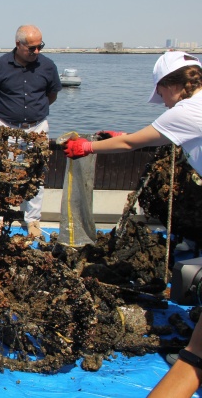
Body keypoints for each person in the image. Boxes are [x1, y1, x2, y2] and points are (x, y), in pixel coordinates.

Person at [61, 51, 202, 397]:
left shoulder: (187, 110)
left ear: (173, 86)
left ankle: (193, 358)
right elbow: (149, 135)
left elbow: (129, 143)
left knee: (195, 359)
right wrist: (122, 135)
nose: (163, 103)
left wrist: (89, 146)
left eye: (163, 95)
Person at [0, 25, 62, 239]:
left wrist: (35, 113)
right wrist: (7, 111)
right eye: (32, 48)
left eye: (40, 47)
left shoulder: (47, 66)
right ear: (18, 44)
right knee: (3, 174)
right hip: (7, 128)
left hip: (37, 128)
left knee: (36, 175)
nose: (37, 52)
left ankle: (33, 220)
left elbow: (52, 94)